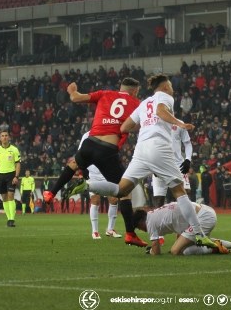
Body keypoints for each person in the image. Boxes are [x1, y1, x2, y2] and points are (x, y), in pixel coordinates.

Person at [74, 74, 216, 249]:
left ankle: (89, 185)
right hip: (159, 147)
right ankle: (199, 233)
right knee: (180, 191)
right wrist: (179, 123)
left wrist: (145, 125)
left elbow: (124, 127)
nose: (172, 89)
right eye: (170, 86)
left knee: (121, 189)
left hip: (141, 150)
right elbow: (160, 112)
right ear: (164, 87)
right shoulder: (166, 97)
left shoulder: (143, 103)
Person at [43, 77, 146, 246]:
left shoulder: (104, 93)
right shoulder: (137, 103)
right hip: (107, 149)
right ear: (134, 91)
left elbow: (75, 98)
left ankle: (51, 193)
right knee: (124, 191)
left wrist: (71, 90)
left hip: (90, 143)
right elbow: (136, 126)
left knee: (73, 164)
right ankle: (130, 233)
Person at [132, 202, 231, 255]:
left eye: (139, 227)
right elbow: (180, 229)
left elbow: (156, 250)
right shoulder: (154, 214)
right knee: (186, 248)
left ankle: (215, 248)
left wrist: (151, 251)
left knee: (175, 251)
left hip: (202, 218)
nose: (141, 230)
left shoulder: (150, 222)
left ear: (141, 221)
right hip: (205, 212)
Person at [80, 131, 122, 239]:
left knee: (114, 199)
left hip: (107, 171)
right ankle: (95, 231)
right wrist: (84, 170)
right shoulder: (87, 135)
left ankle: (110, 229)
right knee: (95, 200)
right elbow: (81, 152)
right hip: (93, 173)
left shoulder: (109, 133)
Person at [152, 122, 193, 208]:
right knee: (159, 200)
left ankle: (185, 220)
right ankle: (160, 220)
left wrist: (188, 159)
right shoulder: (153, 123)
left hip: (178, 165)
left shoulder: (179, 124)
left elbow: (187, 143)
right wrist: (153, 164)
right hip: (160, 165)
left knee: (186, 193)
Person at [0, 130, 21, 227]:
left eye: (6, 135)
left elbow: (18, 164)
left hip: (11, 175)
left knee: (11, 195)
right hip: (0, 175)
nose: (4, 137)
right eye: (2, 136)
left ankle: (12, 219)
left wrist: (16, 176)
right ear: (0, 138)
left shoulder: (14, 149)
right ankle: (8, 218)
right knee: (4, 198)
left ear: (9, 137)